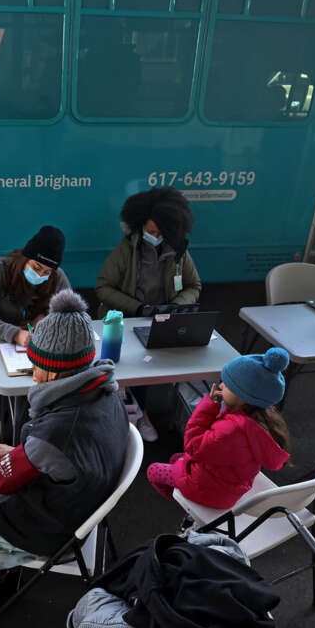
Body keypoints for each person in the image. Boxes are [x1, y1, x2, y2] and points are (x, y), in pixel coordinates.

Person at [0, 289, 129, 610]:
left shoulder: (56, 432)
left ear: (54, 370)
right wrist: (23, 452)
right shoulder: (106, 390)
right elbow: (55, 456)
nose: (32, 374)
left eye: (35, 366)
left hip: (48, 528)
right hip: (83, 506)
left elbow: (3, 484)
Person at [96, 186, 203, 441]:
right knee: (134, 369)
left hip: (163, 320)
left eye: (159, 232)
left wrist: (176, 306)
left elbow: (194, 286)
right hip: (127, 319)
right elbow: (103, 288)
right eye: (149, 231)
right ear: (139, 226)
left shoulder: (179, 253)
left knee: (174, 364)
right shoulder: (126, 251)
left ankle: (156, 413)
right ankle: (138, 414)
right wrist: (137, 308)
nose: (154, 236)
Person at [147, 348, 291, 512]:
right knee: (175, 458)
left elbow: (193, 446)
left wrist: (209, 404)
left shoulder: (231, 430)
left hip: (210, 491)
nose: (221, 385)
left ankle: (190, 506)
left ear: (243, 397)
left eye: (227, 385)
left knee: (153, 471)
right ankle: (188, 494)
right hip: (230, 485)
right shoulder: (260, 419)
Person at [0, 225, 71, 445]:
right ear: (26, 258)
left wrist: (47, 316)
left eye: (46, 272)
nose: (41, 275)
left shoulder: (57, 277)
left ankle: (37, 422)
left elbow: (71, 310)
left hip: (35, 338)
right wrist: (16, 334)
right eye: (36, 267)